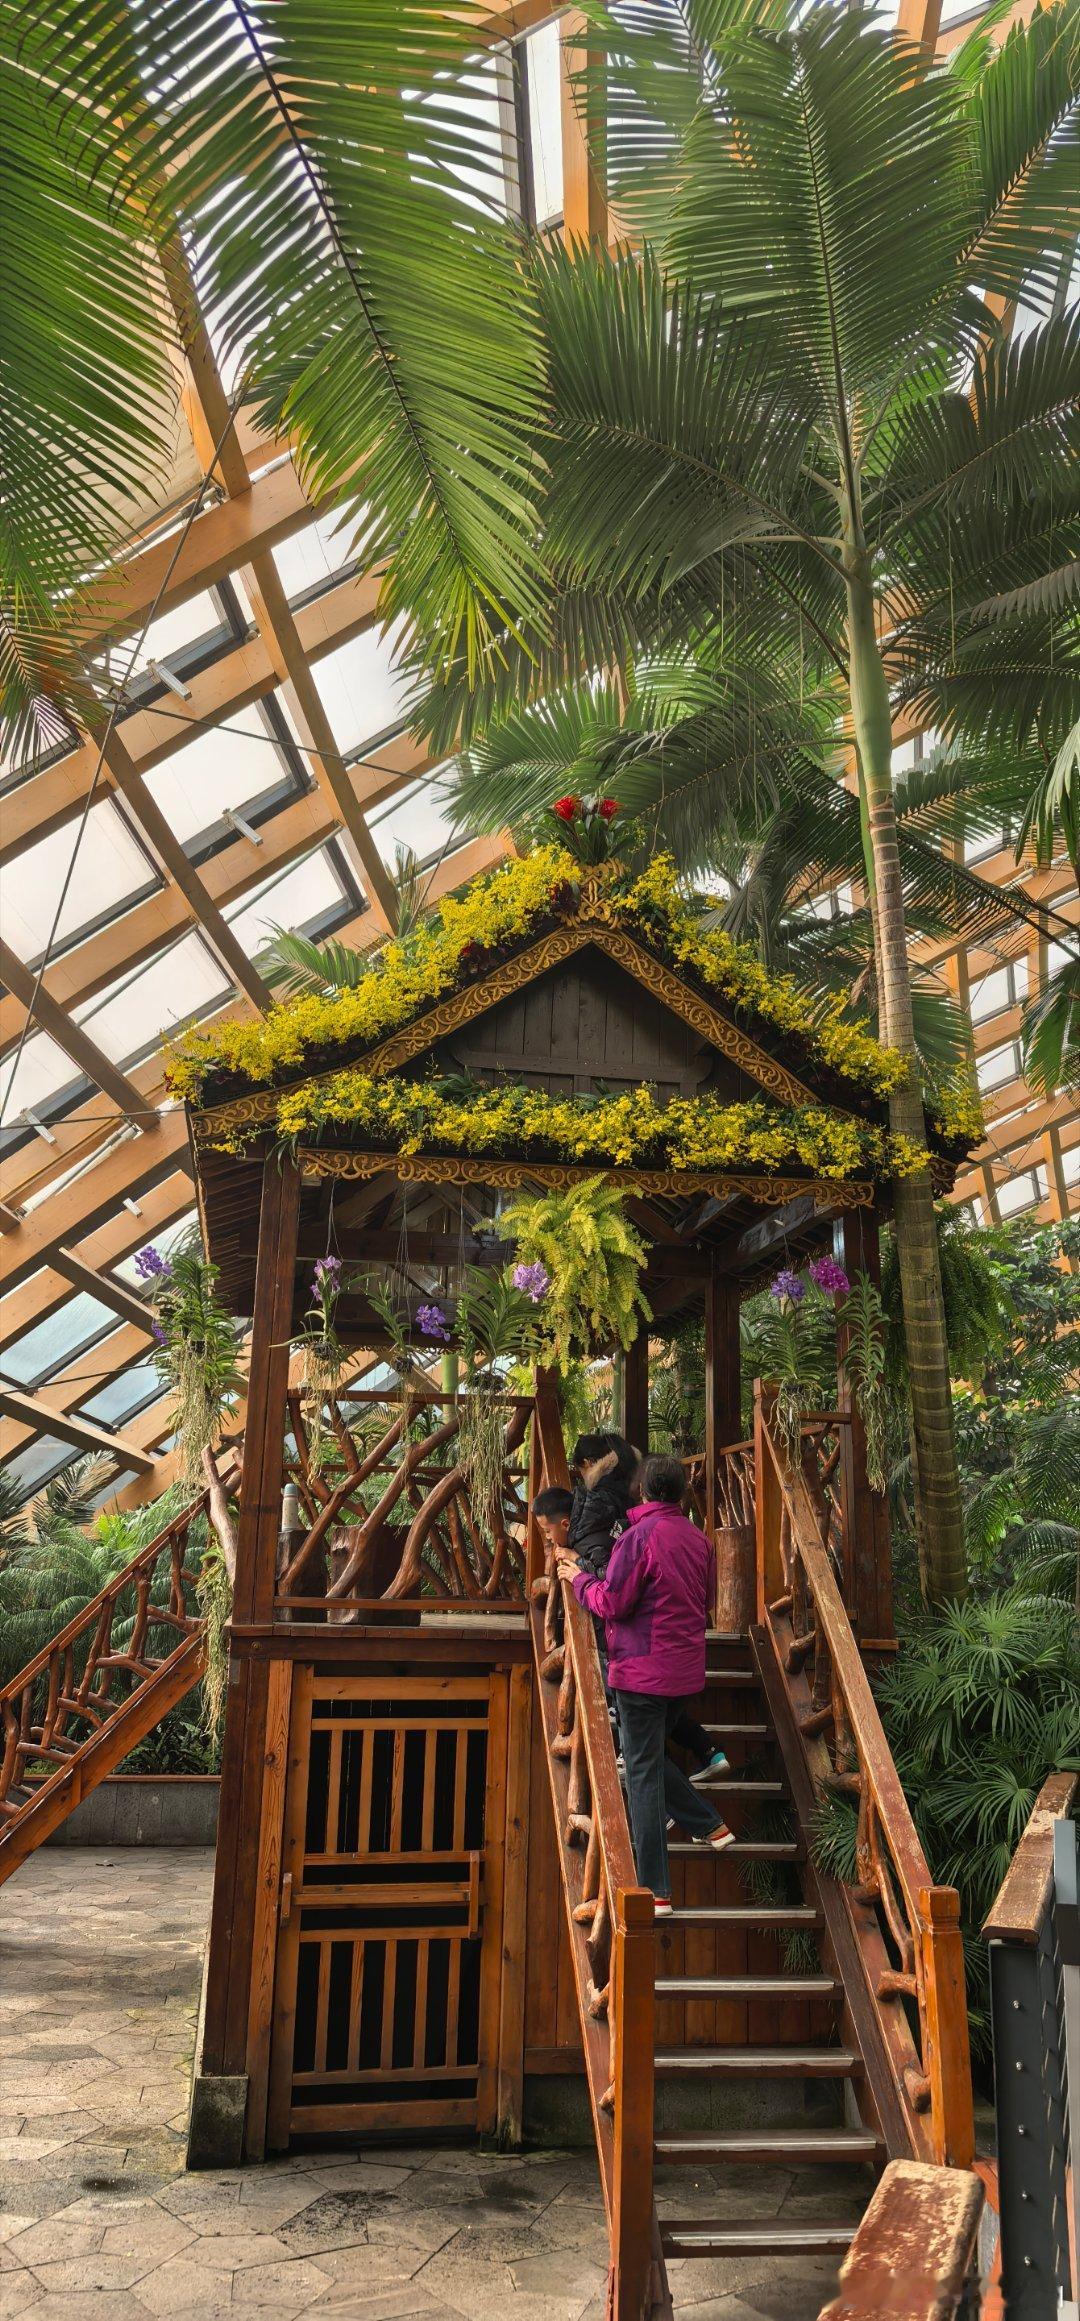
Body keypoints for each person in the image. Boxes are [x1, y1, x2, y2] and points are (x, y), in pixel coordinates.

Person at [557, 1451, 735, 1917]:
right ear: (680, 1492)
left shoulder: (638, 1538)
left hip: (641, 1673)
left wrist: (578, 1579)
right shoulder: (699, 1540)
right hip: (684, 1673)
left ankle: (655, 1890)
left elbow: (612, 1602)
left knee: (640, 1774)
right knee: (647, 1760)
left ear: (641, 1490)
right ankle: (708, 1825)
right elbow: (707, 1600)